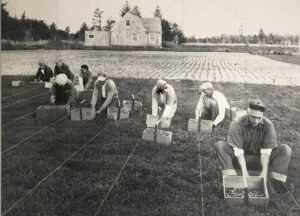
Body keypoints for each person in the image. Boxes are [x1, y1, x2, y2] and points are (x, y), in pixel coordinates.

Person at [215, 99, 292, 193]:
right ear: (247, 113)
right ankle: (231, 179)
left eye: (259, 118)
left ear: (262, 115)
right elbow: (238, 152)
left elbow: (266, 152)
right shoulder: (237, 123)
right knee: (221, 145)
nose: (256, 121)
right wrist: (245, 173)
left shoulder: (268, 125)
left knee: (285, 149)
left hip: (260, 160)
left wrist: (263, 172)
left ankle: (275, 183)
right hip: (239, 159)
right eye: (253, 117)